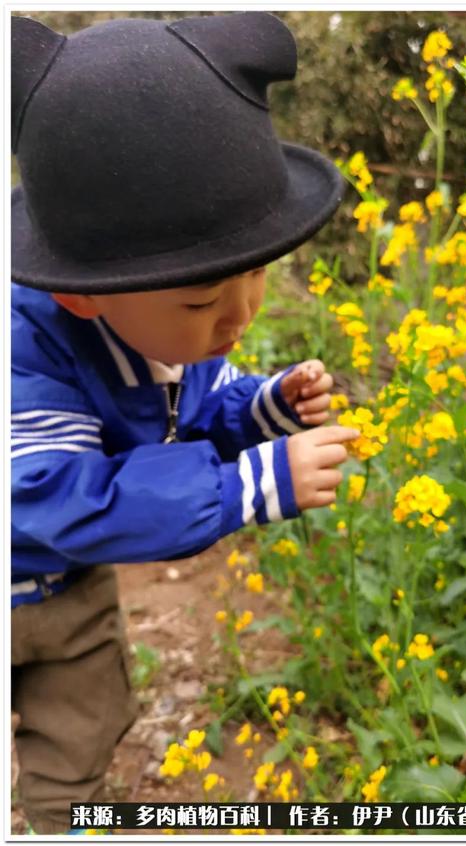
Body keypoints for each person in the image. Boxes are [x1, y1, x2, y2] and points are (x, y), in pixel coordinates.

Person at [11, 11, 358, 834]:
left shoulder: (163, 330)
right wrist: (253, 485)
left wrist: (266, 409)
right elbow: (60, 496)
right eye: (203, 298)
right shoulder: (22, 358)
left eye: (255, 280)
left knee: (80, 738)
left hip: (73, 593)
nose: (235, 317)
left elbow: (196, 403)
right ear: (78, 296)